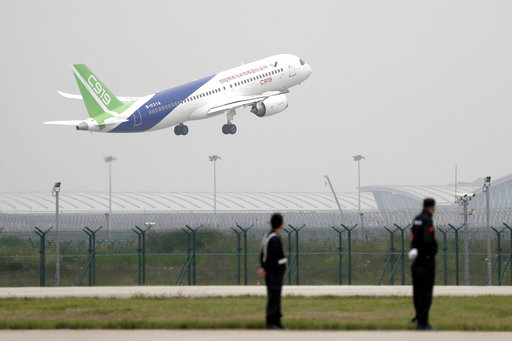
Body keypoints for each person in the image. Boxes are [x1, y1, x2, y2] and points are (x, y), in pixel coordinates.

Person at [409, 198, 438, 331]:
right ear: (432, 207)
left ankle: (418, 316)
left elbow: (414, 236)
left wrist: (415, 249)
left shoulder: (417, 219)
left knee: (417, 291)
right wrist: (430, 251)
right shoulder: (427, 220)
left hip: (416, 259)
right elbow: (427, 239)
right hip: (426, 259)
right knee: (426, 291)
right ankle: (423, 322)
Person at [258, 213, 287, 330]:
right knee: (274, 296)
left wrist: (263, 267)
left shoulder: (267, 236)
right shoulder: (275, 238)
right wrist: (278, 268)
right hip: (274, 272)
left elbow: (262, 254)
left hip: (271, 271)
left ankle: (277, 321)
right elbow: (273, 256)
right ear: (280, 224)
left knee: (275, 296)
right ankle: (271, 322)